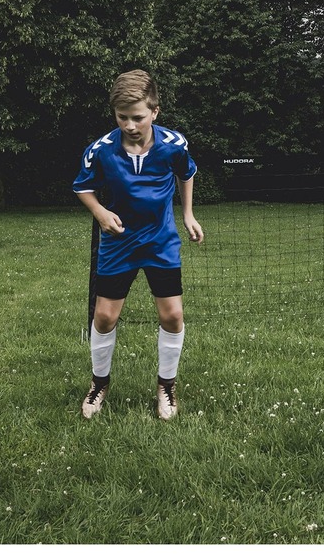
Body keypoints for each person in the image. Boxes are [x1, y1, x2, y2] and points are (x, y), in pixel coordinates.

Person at [72, 69, 204, 421]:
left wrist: (188, 214)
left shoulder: (173, 144)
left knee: (172, 315)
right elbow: (83, 187)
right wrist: (100, 212)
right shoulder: (101, 150)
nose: (130, 125)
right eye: (122, 117)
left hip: (161, 241)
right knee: (104, 316)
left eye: (138, 117)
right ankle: (99, 383)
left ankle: (167, 386)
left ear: (155, 112)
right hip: (119, 244)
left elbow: (187, 173)